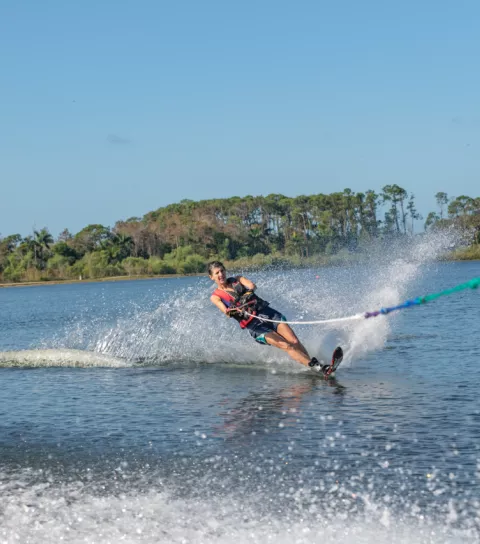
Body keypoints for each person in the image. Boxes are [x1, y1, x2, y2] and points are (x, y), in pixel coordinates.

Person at [208, 260, 330, 374]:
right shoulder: (215, 297)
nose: (221, 274)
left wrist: (248, 293)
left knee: (294, 341)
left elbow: (252, 285)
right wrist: (234, 310)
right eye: (216, 273)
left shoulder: (238, 279)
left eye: (222, 271)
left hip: (267, 313)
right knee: (286, 345)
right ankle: (319, 368)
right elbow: (226, 311)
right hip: (255, 326)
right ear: (212, 277)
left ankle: (313, 366)